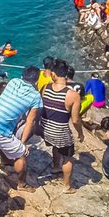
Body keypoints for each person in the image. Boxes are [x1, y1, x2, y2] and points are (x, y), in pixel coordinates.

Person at [0, 66, 43, 189]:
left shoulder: (13, 82)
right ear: (36, 81)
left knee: (2, 141)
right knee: (21, 155)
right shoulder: (35, 97)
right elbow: (30, 121)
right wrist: (22, 144)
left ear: (22, 76)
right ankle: (22, 184)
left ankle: (6, 161)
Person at [40, 59, 85, 191]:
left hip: (45, 129)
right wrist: (80, 133)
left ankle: (55, 167)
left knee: (57, 146)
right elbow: (75, 120)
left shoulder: (45, 88)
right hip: (59, 132)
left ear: (53, 74)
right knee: (68, 157)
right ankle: (67, 186)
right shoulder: (73, 95)